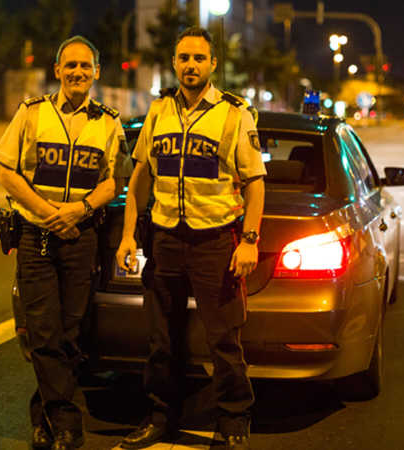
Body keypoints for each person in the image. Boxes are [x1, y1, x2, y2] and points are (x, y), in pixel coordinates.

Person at [116, 26, 266, 450]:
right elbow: (141, 176)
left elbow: (255, 183)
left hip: (215, 242)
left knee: (223, 339)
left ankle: (234, 419)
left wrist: (250, 239)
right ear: (174, 62)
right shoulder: (160, 110)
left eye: (199, 58)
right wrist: (129, 235)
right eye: (183, 58)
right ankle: (161, 418)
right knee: (161, 340)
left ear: (213, 64)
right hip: (164, 239)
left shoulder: (236, 113)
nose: (190, 66)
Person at [0, 35, 130, 450]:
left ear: (96, 73)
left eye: (85, 67)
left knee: (70, 334)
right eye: (70, 66)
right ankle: (67, 423)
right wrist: (49, 212)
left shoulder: (108, 121)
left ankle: (43, 415)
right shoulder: (32, 113)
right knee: (42, 332)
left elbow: (115, 180)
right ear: (57, 71)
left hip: (80, 236)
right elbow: (6, 172)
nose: (77, 73)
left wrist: (81, 209)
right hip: (37, 237)